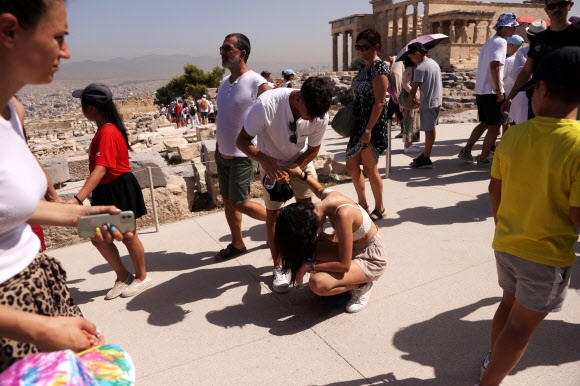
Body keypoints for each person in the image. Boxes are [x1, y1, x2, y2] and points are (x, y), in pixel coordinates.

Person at [0, 0, 136, 370]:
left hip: (37, 287)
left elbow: (12, 207)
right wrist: (40, 330)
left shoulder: (11, 111)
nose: (67, 51)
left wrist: (79, 213)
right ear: (10, 31)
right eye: (58, 36)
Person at [479, 47, 580, 386]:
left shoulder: (514, 135)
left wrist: (503, 226)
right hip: (546, 255)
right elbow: (576, 213)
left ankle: (491, 364)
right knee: (521, 329)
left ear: (543, 89)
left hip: (506, 245)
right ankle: (489, 380)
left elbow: (495, 190)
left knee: (507, 308)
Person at [236, 77, 332, 293]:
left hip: (302, 161)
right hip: (269, 161)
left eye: (318, 116)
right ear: (298, 98)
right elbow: (242, 141)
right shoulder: (266, 105)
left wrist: (294, 169)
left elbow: (312, 150)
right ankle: (278, 266)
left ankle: (309, 259)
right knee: (274, 216)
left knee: (308, 213)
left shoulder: (319, 114)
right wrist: (266, 161)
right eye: (310, 114)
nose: (314, 119)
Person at [68, 83, 152, 300]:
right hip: (106, 190)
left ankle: (142, 277)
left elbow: (101, 168)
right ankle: (123, 276)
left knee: (128, 235)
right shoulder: (105, 129)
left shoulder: (107, 132)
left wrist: (78, 198)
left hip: (118, 188)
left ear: (91, 108)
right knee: (98, 237)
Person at [275, 164, 387, 313]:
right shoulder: (328, 198)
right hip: (352, 248)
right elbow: (318, 189)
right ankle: (351, 280)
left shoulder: (343, 214)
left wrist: (309, 265)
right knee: (305, 249)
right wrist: (301, 174)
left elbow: (344, 265)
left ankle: (362, 284)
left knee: (318, 284)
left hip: (370, 258)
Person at [214, 33, 268, 261]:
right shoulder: (224, 82)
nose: (222, 52)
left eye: (227, 48)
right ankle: (237, 243)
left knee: (239, 201)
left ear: (242, 53)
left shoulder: (258, 82)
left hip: (244, 154)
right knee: (227, 200)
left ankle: (281, 219)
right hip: (223, 152)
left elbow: (271, 117)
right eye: (222, 48)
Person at [457, 13, 518, 167]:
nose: (515, 29)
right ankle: (483, 158)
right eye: (512, 26)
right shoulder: (501, 43)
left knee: (484, 123)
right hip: (492, 91)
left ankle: (466, 151)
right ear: (504, 27)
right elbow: (495, 65)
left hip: (482, 90)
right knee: (494, 127)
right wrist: (499, 90)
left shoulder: (489, 42)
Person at [500, 0, 580, 119]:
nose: (557, 9)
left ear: (570, 5)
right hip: (540, 105)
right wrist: (510, 97)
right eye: (552, 6)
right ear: (546, 10)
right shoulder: (539, 39)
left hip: (571, 105)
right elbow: (526, 72)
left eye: (562, 4)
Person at [345, 28, 389, 221]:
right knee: (351, 164)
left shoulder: (379, 68)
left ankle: (380, 208)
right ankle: (362, 204)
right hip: (359, 124)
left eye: (365, 47)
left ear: (376, 46)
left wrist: (369, 130)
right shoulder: (363, 68)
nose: (361, 51)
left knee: (371, 169)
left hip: (372, 126)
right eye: (358, 47)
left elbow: (380, 101)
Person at [401, 42, 443, 169]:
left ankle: (426, 157)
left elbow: (413, 91)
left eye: (412, 57)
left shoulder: (420, 69)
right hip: (437, 101)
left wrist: (406, 109)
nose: (412, 60)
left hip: (428, 103)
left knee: (429, 131)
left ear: (417, 53)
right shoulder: (434, 63)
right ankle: (426, 154)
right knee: (431, 129)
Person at [507, 20, 547, 126]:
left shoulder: (523, 52)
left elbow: (516, 75)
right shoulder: (553, 51)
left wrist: (510, 97)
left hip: (526, 95)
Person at [500, 34, 524, 134]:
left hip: (508, 93)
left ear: (511, 45)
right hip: (519, 94)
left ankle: (505, 142)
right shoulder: (523, 59)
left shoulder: (509, 60)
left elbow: (502, 76)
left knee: (506, 121)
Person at [400, 56, 422, 154]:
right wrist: (415, 94)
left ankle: (410, 143)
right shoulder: (409, 69)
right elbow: (405, 84)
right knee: (409, 120)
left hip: (413, 99)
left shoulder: (413, 69)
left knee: (413, 121)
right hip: (410, 99)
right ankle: (407, 146)